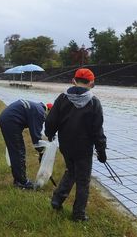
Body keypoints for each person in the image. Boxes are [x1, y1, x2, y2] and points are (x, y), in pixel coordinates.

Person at [45, 68, 107, 221]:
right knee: (83, 180)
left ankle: (57, 200)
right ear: (92, 83)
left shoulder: (62, 98)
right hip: (84, 148)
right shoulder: (94, 102)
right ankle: (79, 214)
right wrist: (101, 151)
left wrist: (50, 133)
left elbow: (51, 120)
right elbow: (97, 130)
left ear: (73, 80)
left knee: (71, 171)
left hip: (66, 145)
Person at [0, 99, 52, 189]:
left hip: (7, 119)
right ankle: (22, 182)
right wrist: (42, 151)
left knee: (16, 151)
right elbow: (36, 137)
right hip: (10, 122)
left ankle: (18, 180)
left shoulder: (37, 107)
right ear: (49, 111)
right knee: (18, 152)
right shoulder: (40, 113)